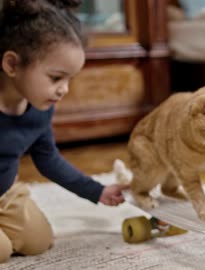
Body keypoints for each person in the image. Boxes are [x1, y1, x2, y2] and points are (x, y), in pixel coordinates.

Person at [0, 0, 129, 263]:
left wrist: (97, 191)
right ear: (12, 65)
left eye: (70, 79)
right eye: (56, 78)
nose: (64, 90)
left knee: (38, 241)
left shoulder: (39, 109)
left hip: (4, 192)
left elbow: (48, 159)